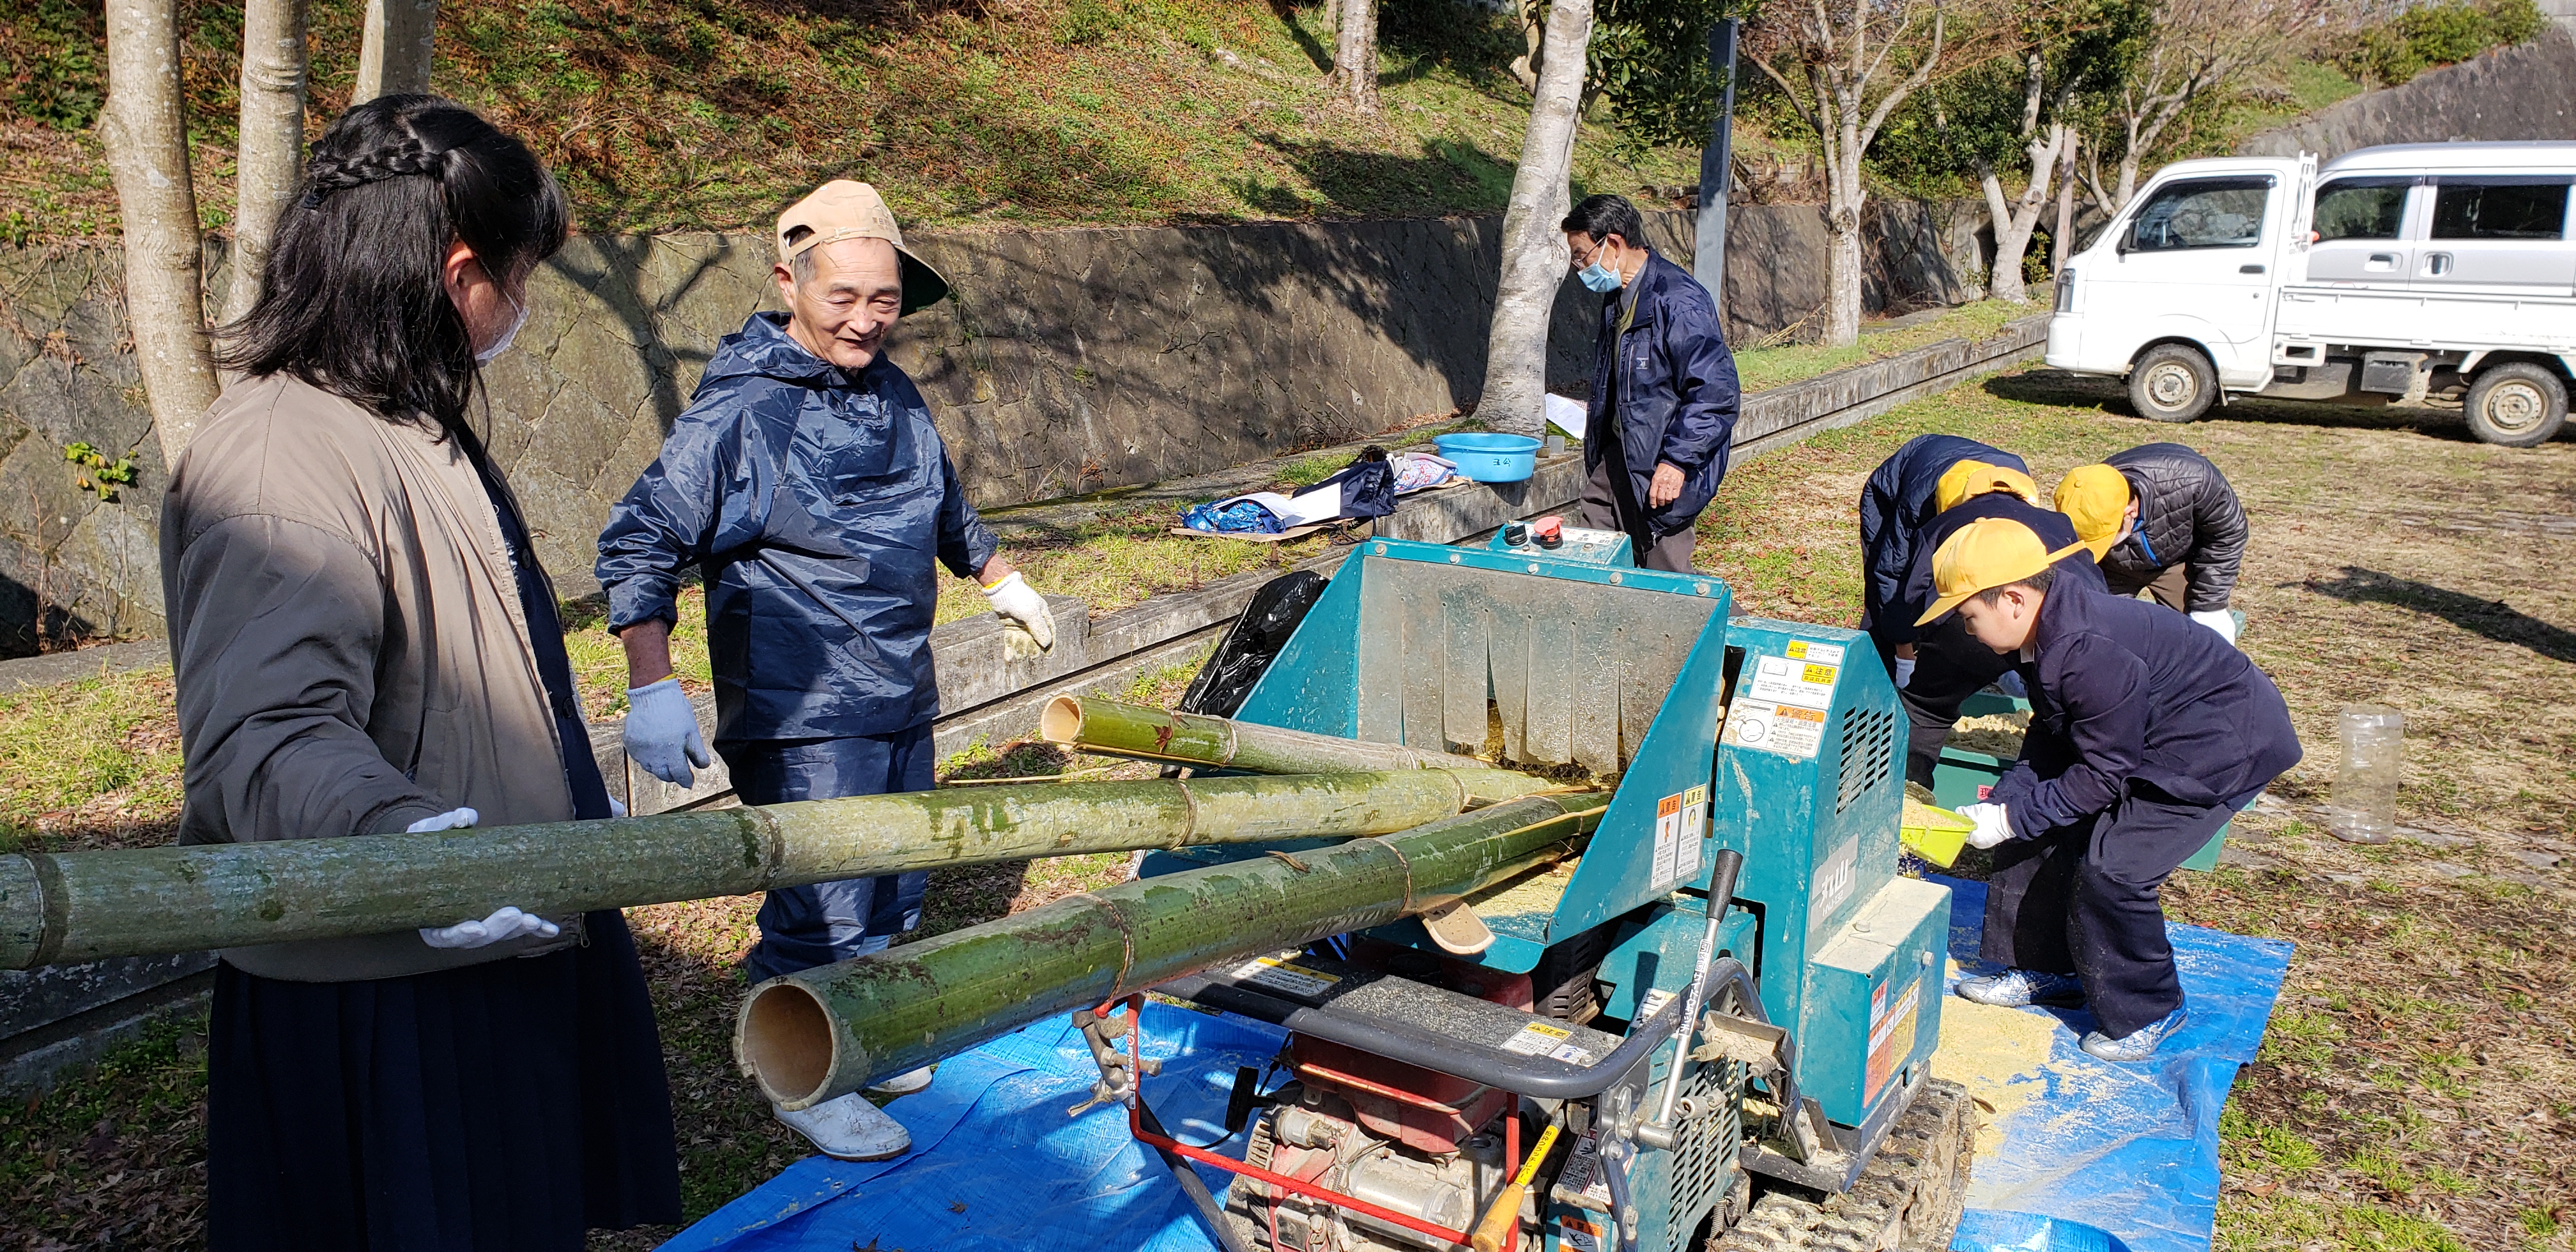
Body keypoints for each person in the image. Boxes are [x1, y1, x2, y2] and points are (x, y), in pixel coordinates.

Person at [165, 95, 679, 1249]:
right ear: (459, 272)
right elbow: (267, 729)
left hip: (484, 938)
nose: (523, 310)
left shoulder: (399, 420)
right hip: (387, 987)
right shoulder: (281, 450)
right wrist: (405, 842)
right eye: (518, 277)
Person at [595, 179, 1055, 1161]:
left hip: (897, 684)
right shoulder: (743, 411)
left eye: (883, 300)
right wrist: (650, 680)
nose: (864, 320)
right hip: (802, 705)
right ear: (789, 283)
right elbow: (642, 540)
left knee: (894, 884)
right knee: (824, 904)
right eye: (842, 297)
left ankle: (862, 1031)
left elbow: (945, 504)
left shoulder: (891, 387)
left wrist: (1003, 579)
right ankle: (803, 1072)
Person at [1916, 517, 2300, 1062]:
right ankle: (2046, 968)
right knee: (2031, 818)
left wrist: (2008, 817)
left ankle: (2150, 1008)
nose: (1965, 627)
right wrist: (2006, 805)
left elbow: (2104, 774)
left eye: (1969, 614)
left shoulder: (2084, 648)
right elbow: (2055, 737)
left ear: (2014, 601)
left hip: (2218, 745)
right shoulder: (2039, 637)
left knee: (2115, 868)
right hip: (2144, 733)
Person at [1885, 459, 2106, 786]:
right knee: (2060, 716)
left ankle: (1908, 794)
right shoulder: (2058, 523)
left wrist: (1916, 648)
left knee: (1927, 707)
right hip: (2065, 617)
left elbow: (1911, 597)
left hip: (1973, 617)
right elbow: (2089, 574)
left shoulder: (1942, 525)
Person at [1561, 194, 1740, 573]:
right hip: (1618, 455)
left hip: (1661, 463)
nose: (1579, 268)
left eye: (1582, 256)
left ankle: (1734, 631)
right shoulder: (1618, 297)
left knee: (1669, 575)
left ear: (1612, 243)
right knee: (1593, 554)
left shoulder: (1678, 300)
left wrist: (1676, 462)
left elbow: (1715, 394)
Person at [1857, 434, 2035, 679]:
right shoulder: (1916, 508)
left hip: (1954, 467)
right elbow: (1892, 574)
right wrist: (1904, 656)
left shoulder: (2020, 495)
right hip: (1900, 482)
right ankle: (1880, 672)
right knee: (1891, 587)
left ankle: (1956, 654)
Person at [2053, 443, 2248, 643]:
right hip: (2114, 569)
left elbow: (2227, 535)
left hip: (2178, 559)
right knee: (2104, 638)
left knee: (2207, 641)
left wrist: (2209, 605)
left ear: (2130, 513)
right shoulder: (2083, 499)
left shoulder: (2194, 479)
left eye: (2105, 540)